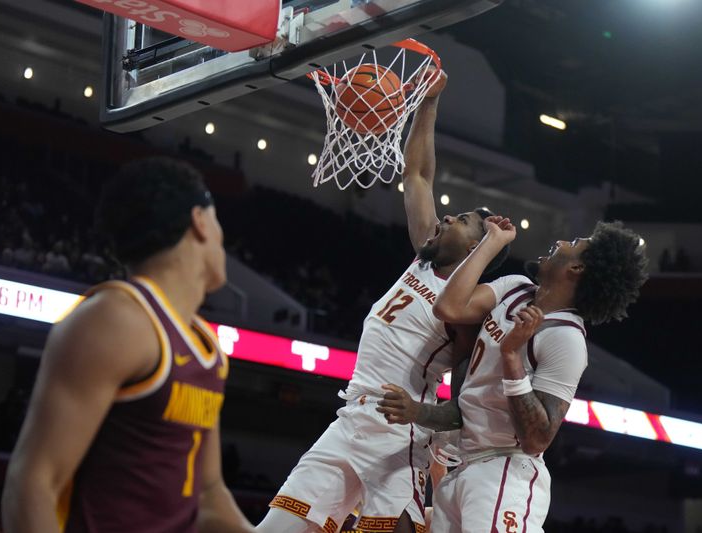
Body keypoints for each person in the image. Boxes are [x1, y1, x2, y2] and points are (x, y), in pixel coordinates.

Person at [256, 69, 509, 533]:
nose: (448, 216)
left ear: (478, 247)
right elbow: (417, 174)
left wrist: (427, 426)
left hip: (398, 434)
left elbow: (465, 401)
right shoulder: (423, 259)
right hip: (351, 416)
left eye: (464, 221)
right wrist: (429, 101)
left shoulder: (469, 307)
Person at [2, 157, 256, 533]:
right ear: (200, 221)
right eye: (218, 222)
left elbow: (207, 494)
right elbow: (33, 484)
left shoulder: (207, 345)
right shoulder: (116, 320)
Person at [378, 218, 648, 532]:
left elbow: (537, 439)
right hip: (462, 466)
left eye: (572, 244)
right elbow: (448, 307)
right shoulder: (515, 288)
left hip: (504, 471)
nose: (560, 243)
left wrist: (511, 357)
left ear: (576, 269)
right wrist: (490, 242)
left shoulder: (566, 339)